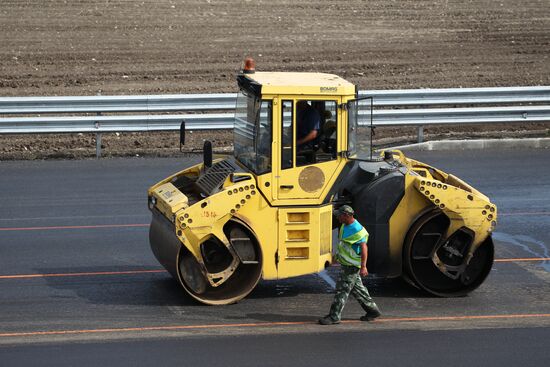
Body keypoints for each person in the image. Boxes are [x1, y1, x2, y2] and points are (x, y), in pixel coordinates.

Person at [319, 205, 381, 325]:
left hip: (351, 266)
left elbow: (364, 249)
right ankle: (373, 311)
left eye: (340, 215)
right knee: (358, 290)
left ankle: (334, 316)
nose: (338, 218)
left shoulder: (357, 230)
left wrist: (363, 266)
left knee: (342, 290)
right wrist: (337, 256)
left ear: (346, 216)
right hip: (347, 264)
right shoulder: (344, 225)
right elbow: (344, 245)